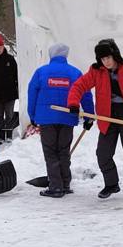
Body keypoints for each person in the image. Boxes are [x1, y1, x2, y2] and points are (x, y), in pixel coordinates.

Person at [66, 39, 123, 200]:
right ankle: (112, 184)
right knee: (103, 153)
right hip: (107, 116)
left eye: (108, 58)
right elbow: (79, 86)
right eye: (102, 59)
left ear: (115, 55)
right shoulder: (96, 71)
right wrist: (73, 103)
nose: (106, 62)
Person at [26, 43, 94, 198]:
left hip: (46, 118)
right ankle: (65, 183)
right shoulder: (74, 73)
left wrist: (33, 116)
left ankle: (56, 187)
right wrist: (89, 115)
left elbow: (32, 94)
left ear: (51, 55)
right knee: (63, 151)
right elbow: (86, 93)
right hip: (67, 118)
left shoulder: (41, 72)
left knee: (50, 152)